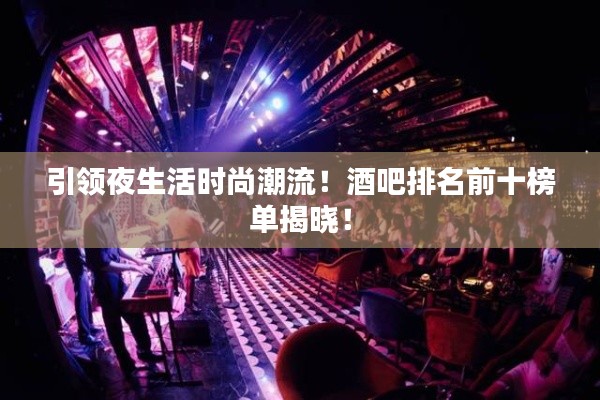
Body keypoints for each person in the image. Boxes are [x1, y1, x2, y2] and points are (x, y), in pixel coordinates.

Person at [84, 191, 162, 378]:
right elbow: (103, 263)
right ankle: (127, 367)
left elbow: (117, 249)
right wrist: (132, 268)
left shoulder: (109, 216)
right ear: (111, 198)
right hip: (105, 280)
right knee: (114, 326)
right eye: (116, 197)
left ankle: (144, 351)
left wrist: (137, 261)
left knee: (135, 313)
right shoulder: (93, 223)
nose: (117, 200)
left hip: (116, 276)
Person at [483, 292, 600, 400]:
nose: (582, 315)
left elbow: (573, 386)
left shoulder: (594, 350)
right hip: (526, 372)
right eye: (581, 308)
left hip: (546, 392)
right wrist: (541, 354)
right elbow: (540, 350)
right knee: (488, 394)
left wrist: (552, 393)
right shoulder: (569, 319)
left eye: (588, 312)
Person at [58, 179, 101, 346]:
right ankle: (84, 334)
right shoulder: (68, 201)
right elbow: (65, 235)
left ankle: (89, 326)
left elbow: (77, 222)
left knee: (86, 293)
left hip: (76, 252)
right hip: (73, 253)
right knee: (82, 294)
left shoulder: (72, 200)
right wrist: (85, 231)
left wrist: (85, 200)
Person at [164, 195, 205, 311]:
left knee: (186, 274)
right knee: (190, 276)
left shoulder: (171, 212)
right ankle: (189, 304)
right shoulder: (192, 214)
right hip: (190, 247)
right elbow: (201, 233)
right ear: (189, 200)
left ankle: (189, 297)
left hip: (177, 248)